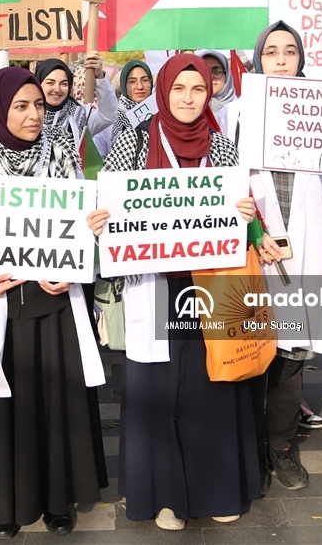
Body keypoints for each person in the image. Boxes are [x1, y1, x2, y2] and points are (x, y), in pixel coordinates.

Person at [87, 54, 261, 531]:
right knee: (159, 392)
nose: (188, 99)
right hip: (154, 285)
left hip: (208, 283)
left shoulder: (221, 147)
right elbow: (109, 205)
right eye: (179, 89)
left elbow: (240, 215)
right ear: (164, 91)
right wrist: (101, 223)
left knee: (212, 385)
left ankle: (215, 488)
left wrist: (246, 217)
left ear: (209, 94)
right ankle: (164, 495)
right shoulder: (134, 140)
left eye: (198, 90)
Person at [0, 67, 107, 539]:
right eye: (20, 106)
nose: (33, 115)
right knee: (5, 407)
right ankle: (6, 504)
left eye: (38, 105)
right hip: (2, 309)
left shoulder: (62, 154)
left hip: (52, 307)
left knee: (54, 405)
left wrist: (76, 264)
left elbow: (80, 225)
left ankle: (56, 499)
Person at [249, 21, 322, 493]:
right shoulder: (240, 113)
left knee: (293, 355)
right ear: (258, 59)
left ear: (301, 58)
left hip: (307, 246)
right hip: (255, 248)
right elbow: (229, 182)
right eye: (271, 52)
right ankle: (248, 443)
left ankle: (280, 446)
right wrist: (254, 231)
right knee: (250, 350)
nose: (280, 60)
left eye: (289, 51)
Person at [34, 54, 117, 159]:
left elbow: (108, 116)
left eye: (63, 84)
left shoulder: (80, 115)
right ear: (38, 83)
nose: (57, 89)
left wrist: (100, 77)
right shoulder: (28, 115)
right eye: (50, 83)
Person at [105, 59, 154, 153]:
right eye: (132, 82)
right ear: (123, 84)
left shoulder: (162, 112)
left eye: (144, 80)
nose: (140, 86)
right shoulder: (111, 118)